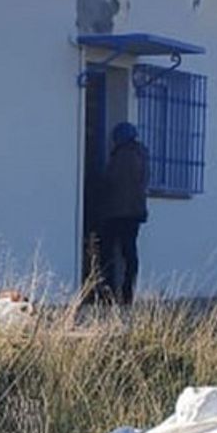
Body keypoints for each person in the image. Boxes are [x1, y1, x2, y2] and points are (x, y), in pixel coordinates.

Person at [96, 120, 149, 306]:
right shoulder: (141, 154)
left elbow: (110, 182)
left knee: (108, 254)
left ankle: (107, 294)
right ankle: (128, 294)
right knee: (130, 254)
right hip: (135, 212)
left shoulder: (121, 156)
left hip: (116, 213)